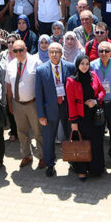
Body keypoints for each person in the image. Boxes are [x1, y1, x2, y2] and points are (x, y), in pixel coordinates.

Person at [35, 42, 75, 177]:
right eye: (51, 52)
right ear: (48, 53)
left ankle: (73, 162)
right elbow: (39, 94)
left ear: (61, 53)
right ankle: (50, 164)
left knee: (71, 135)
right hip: (49, 109)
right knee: (49, 138)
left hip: (67, 107)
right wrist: (41, 115)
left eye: (57, 51)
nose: (54, 54)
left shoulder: (70, 67)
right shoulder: (41, 70)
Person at [5, 39, 44, 170]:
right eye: (15, 50)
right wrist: (10, 103)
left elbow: (42, 84)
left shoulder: (36, 62)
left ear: (26, 49)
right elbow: (8, 86)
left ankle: (43, 156)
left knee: (38, 132)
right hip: (17, 104)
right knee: (21, 132)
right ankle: (27, 155)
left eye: (21, 50)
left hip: (33, 103)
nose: (18, 53)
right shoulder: (10, 65)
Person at [68, 54, 107, 180]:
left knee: (96, 143)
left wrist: (96, 101)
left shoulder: (94, 76)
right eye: (82, 64)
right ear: (77, 65)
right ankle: (81, 170)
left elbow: (102, 91)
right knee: (81, 144)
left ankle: (96, 169)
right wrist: (73, 122)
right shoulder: (71, 81)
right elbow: (71, 103)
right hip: (81, 119)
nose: (84, 66)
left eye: (87, 64)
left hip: (95, 117)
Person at [90, 41, 111, 171]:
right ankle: (100, 160)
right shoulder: (92, 65)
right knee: (98, 133)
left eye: (106, 51)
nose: (103, 53)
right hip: (98, 104)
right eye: (101, 51)